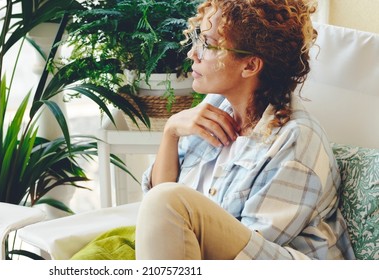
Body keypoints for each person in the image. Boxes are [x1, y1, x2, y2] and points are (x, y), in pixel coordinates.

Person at [135, 0, 356, 260]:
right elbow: (159, 214)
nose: (193, 54)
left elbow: (245, 250)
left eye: (208, 44)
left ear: (250, 66)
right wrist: (171, 131)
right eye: (198, 38)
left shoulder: (296, 139)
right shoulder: (213, 110)